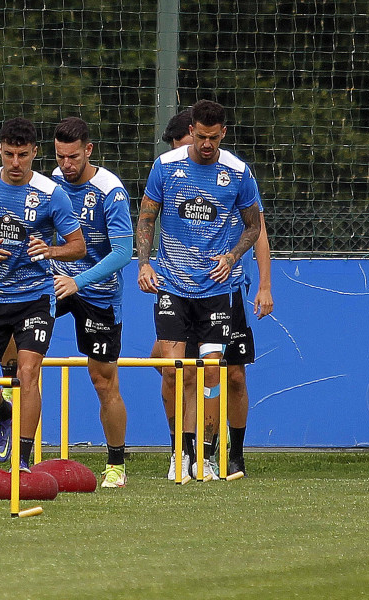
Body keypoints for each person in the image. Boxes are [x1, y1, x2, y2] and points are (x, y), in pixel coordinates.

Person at [136, 100, 261, 481]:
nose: (206, 144)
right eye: (200, 136)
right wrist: (144, 263)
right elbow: (145, 217)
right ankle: (180, 453)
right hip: (173, 285)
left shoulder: (238, 173)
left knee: (211, 376)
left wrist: (233, 255)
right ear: (190, 130)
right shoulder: (166, 167)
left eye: (213, 137)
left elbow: (253, 227)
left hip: (216, 290)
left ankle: (206, 456)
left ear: (223, 132)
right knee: (176, 374)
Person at [0, 117, 86, 472]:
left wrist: (50, 251)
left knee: (29, 372)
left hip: (34, 296)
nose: (15, 163)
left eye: (22, 155)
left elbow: (77, 246)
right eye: (8, 154)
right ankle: (4, 412)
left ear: (35, 152)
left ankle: (23, 459)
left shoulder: (52, 194)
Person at [49, 117, 134, 487]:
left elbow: (123, 253)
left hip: (97, 291)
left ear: (89, 151)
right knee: (12, 311)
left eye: (73, 157)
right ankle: (6, 389)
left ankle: (117, 464)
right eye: (60, 156)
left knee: (103, 380)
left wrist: (78, 281)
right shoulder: (51, 182)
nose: (66, 165)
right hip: (57, 278)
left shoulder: (110, 191)